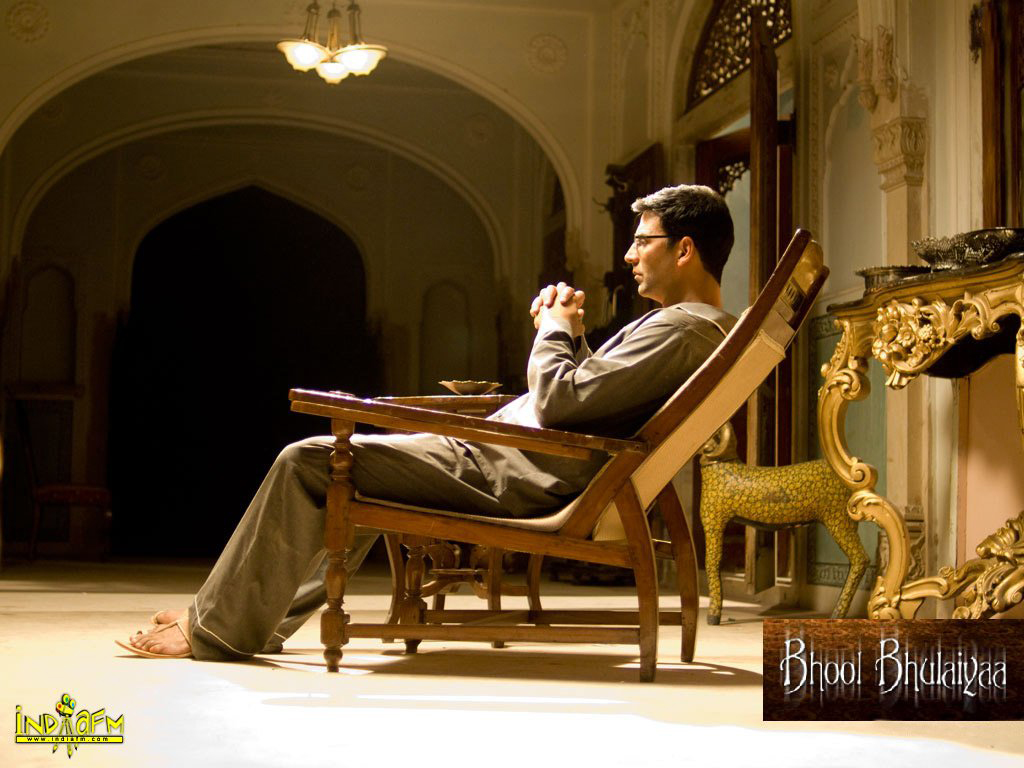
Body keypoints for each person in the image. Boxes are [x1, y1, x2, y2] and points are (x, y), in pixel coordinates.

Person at [119, 183, 736, 660]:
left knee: (308, 459)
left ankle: (216, 630)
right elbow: (594, 400)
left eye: (642, 241)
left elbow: (560, 404)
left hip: (510, 475)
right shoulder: (689, 329)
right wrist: (571, 335)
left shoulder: (683, 331)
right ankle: (239, 619)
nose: (629, 254)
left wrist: (551, 331)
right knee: (356, 472)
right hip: (512, 461)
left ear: (684, 249)